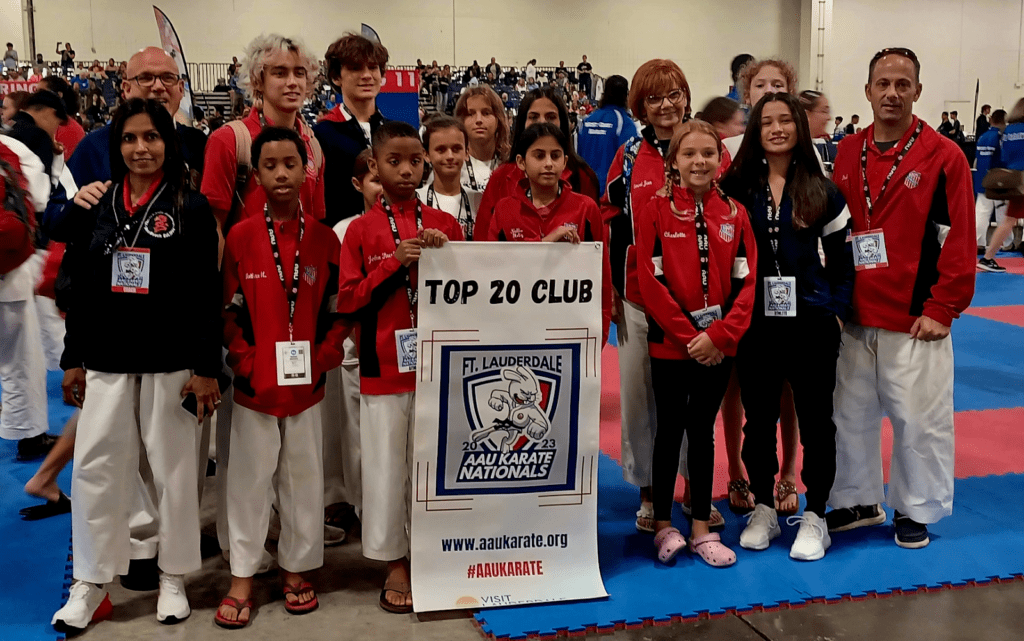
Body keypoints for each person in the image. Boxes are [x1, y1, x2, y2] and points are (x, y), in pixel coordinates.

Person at [49, 98, 222, 632]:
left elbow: (204, 292)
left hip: (170, 359)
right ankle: (91, 582)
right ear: (115, 145)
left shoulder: (189, 207)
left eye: (151, 137)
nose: (140, 148)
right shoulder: (95, 204)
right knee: (96, 468)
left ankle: (172, 577)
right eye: (129, 139)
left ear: (168, 142)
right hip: (106, 357)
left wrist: (205, 365)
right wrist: (73, 357)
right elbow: (77, 284)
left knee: (173, 471)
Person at [827, 48, 975, 549]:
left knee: (920, 419)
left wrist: (943, 306)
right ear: (867, 91)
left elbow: (958, 234)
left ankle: (916, 509)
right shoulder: (847, 151)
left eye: (902, 84)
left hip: (916, 315)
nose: (892, 93)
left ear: (917, 91)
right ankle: (857, 498)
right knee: (848, 414)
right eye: (883, 83)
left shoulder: (944, 155)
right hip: (852, 312)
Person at [215, 127, 348, 629]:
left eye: (290, 164)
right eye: (269, 166)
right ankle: (243, 577)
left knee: (303, 481)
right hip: (253, 388)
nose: (281, 174)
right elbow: (226, 311)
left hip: (307, 385)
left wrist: (327, 353)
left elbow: (338, 309)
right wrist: (244, 359)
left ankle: (297, 569)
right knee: (248, 485)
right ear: (257, 174)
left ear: (304, 169)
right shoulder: (242, 236)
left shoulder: (323, 238)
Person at [337, 121, 463, 613]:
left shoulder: (443, 224)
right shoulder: (360, 231)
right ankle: (394, 562)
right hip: (382, 364)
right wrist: (392, 262)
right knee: (387, 468)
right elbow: (347, 299)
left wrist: (444, 254)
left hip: (437, 366)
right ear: (375, 164)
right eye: (395, 161)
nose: (407, 170)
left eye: (415, 161)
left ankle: (434, 551)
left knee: (433, 466)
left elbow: (468, 289)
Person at [722, 92, 854, 561]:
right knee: (759, 423)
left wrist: (837, 313)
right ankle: (763, 506)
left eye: (786, 121)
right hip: (756, 324)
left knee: (818, 422)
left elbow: (844, 261)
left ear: (800, 127)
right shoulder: (738, 187)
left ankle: (816, 514)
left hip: (813, 323)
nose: (777, 129)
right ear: (755, 130)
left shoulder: (824, 189)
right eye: (767, 122)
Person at [602, 59, 726, 530]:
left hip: (701, 307)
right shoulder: (629, 157)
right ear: (640, 106)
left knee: (696, 404)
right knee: (641, 401)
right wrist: (615, 285)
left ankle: (695, 490)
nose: (666, 104)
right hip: (639, 299)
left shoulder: (710, 150)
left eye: (673, 93)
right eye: (654, 97)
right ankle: (650, 493)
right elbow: (614, 224)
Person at [636, 119, 757, 567]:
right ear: (674, 161)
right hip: (671, 345)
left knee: (701, 432)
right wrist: (692, 338)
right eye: (689, 154)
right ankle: (664, 524)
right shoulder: (655, 209)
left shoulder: (734, 213)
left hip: (719, 346)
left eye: (708, 152)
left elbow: (747, 283)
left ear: (721, 159)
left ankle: (702, 528)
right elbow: (651, 280)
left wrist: (721, 336)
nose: (699, 161)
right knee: (669, 430)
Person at [485, 122, 612, 340]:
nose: (548, 163)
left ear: (565, 161)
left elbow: (602, 276)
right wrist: (543, 245)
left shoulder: (586, 208)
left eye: (555, 155)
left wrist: (600, 332)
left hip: (571, 326)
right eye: (539, 155)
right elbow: (491, 270)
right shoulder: (504, 210)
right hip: (516, 327)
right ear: (521, 162)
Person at [203, 34, 325, 240]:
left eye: (300, 73)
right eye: (280, 73)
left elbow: (316, 224)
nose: (292, 82)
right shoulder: (229, 140)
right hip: (244, 269)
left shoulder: (313, 146)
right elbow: (212, 227)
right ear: (258, 80)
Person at [322, 149, 381, 533]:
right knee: (351, 432)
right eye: (374, 180)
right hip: (352, 348)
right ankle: (354, 501)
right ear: (358, 184)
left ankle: (379, 505)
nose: (382, 187)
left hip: (393, 347)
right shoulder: (343, 230)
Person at [68, 47, 206, 189]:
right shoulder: (93, 147)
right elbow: (58, 206)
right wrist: (77, 203)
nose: (158, 86)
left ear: (181, 89)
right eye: (146, 78)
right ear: (127, 89)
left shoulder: (198, 143)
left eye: (168, 78)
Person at [476, 87, 600, 238]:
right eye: (533, 117)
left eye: (550, 117)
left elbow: (597, 249)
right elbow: (483, 245)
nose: (542, 123)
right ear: (522, 122)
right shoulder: (501, 177)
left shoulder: (583, 176)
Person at [314, 33, 388, 228]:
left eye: (373, 67)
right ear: (337, 77)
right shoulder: (322, 134)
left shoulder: (394, 132)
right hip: (340, 240)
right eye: (356, 68)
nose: (367, 75)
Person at [416, 116, 482, 239]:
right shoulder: (416, 199)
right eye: (441, 150)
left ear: (467, 152)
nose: (450, 156)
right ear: (426, 154)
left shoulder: (479, 200)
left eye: (456, 149)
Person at [576, 75, 640, 196]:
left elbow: (579, 155)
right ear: (626, 96)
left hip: (585, 192)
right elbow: (630, 162)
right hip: (610, 196)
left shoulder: (588, 121)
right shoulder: (624, 123)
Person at [724, 57, 798, 158]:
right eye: (760, 85)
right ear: (747, 96)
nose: (769, 90)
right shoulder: (729, 148)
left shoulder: (806, 149)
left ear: (790, 93)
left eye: (777, 85)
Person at [979, 104, 1022, 272]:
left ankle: (988, 257)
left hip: (1014, 177)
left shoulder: (1009, 131)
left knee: (1009, 219)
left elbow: (1004, 155)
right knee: (1009, 219)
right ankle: (988, 257)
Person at [454, 85, 510, 194]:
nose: (478, 120)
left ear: (498, 120)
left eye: (486, 113)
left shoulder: (512, 166)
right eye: (471, 114)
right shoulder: (452, 165)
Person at [799, 90, 838, 171]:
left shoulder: (810, 149)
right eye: (824, 111)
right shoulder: (797, 154)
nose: (829, 117)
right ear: (806, 115)